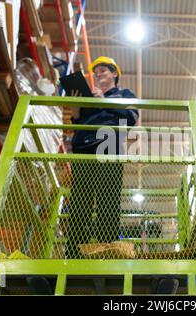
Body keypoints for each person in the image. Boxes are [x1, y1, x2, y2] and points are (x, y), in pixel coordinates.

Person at [67, 56, 138, 259]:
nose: (98, 75)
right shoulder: (89, 96)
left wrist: (103, 100)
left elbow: (131, 118)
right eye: (96, 72)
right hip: (84, 150)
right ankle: (73, 255)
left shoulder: (124, 94)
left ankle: (106, 252)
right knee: (80, 202)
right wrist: (76, 110)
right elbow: (77, 123)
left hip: (110, 147)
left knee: (108, 199)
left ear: (115, 74)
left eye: (103, 71)